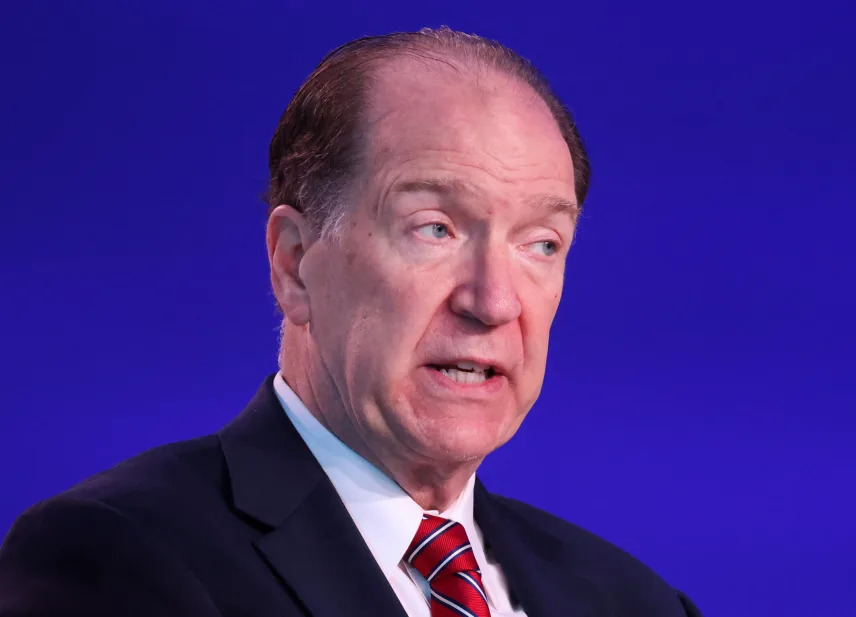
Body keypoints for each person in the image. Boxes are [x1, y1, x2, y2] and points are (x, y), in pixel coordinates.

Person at [0, 28, 702, 617]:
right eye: (435, 228)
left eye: (540, 244)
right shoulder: (118, 556)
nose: (493, 301)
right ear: (296, 264)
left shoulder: (632, 600)